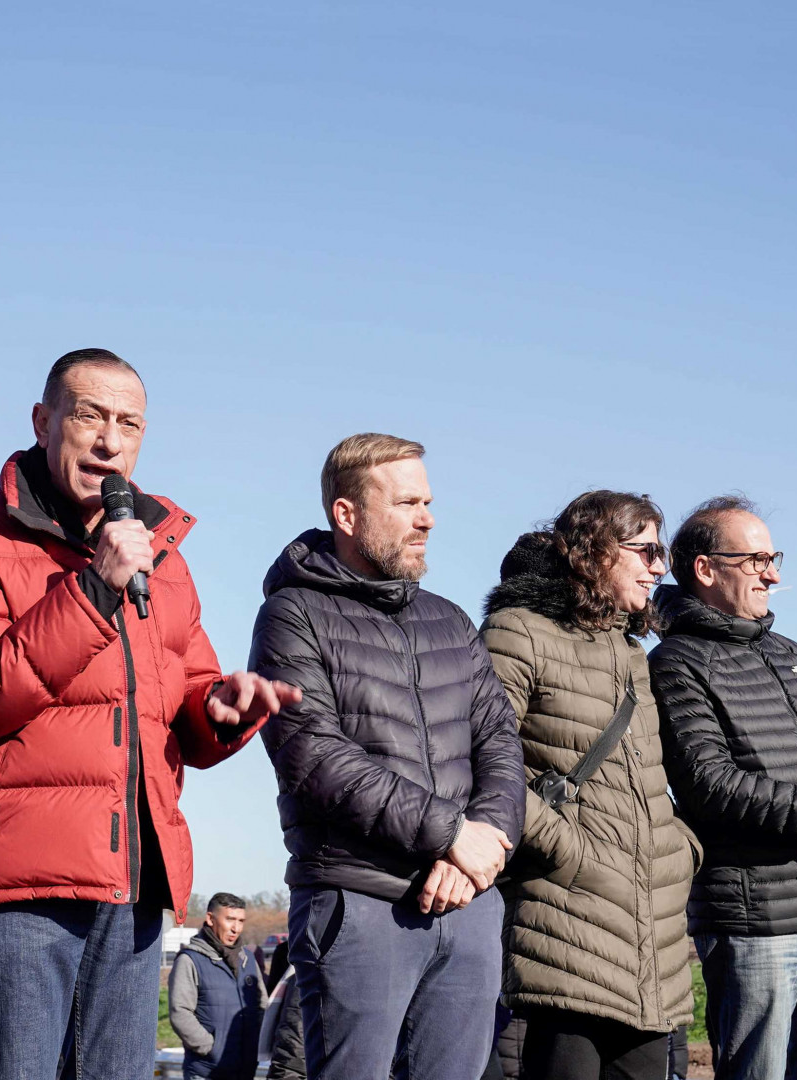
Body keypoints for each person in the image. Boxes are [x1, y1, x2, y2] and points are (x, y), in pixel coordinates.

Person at [0, 350, 296, 1080]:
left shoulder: (162, 555)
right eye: (89, 415)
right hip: (26, 884)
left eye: (129, 424)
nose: (109, 441)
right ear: (43, 421)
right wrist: (93, 590)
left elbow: (187, 704)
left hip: (136, 882)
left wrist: (229, 709)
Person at [247, 432, 526, 1080]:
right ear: (346, 514)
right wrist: (452, 833)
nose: (427, 518)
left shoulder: (452, 621)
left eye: (427, 501)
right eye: (405, 503)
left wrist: (481, 851)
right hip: (359, 902)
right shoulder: (292, 616)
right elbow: (313, 758)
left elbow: (501, 744)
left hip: (469, 907)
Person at [649, 496, 797, 1080]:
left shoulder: (794, 654)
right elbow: (710, 782)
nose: (772, 574)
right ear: (705, 569)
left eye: (773, 558)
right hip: (756, 923)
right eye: (755, 560)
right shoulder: (677, 662)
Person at [481, 494, 701, 1080]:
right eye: (648, 550)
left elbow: (649, 785)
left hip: (650, 938)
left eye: (665, 553)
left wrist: (680, 850)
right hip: (565, 922)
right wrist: (567, 850)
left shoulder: (634, 655)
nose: (660, 567)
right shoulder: (517, 631)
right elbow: (478, 763)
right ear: (592, 552)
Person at [169, 893, 268, 1080]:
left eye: (241, 921)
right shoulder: (190, 960)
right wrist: (211, 1047)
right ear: (210, 919)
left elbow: (261, 1004)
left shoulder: (248, 960)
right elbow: (180, 1012)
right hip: (206, 1071)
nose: (236, 928)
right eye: (230, 919)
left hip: (246, 1068)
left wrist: (257, 1043)